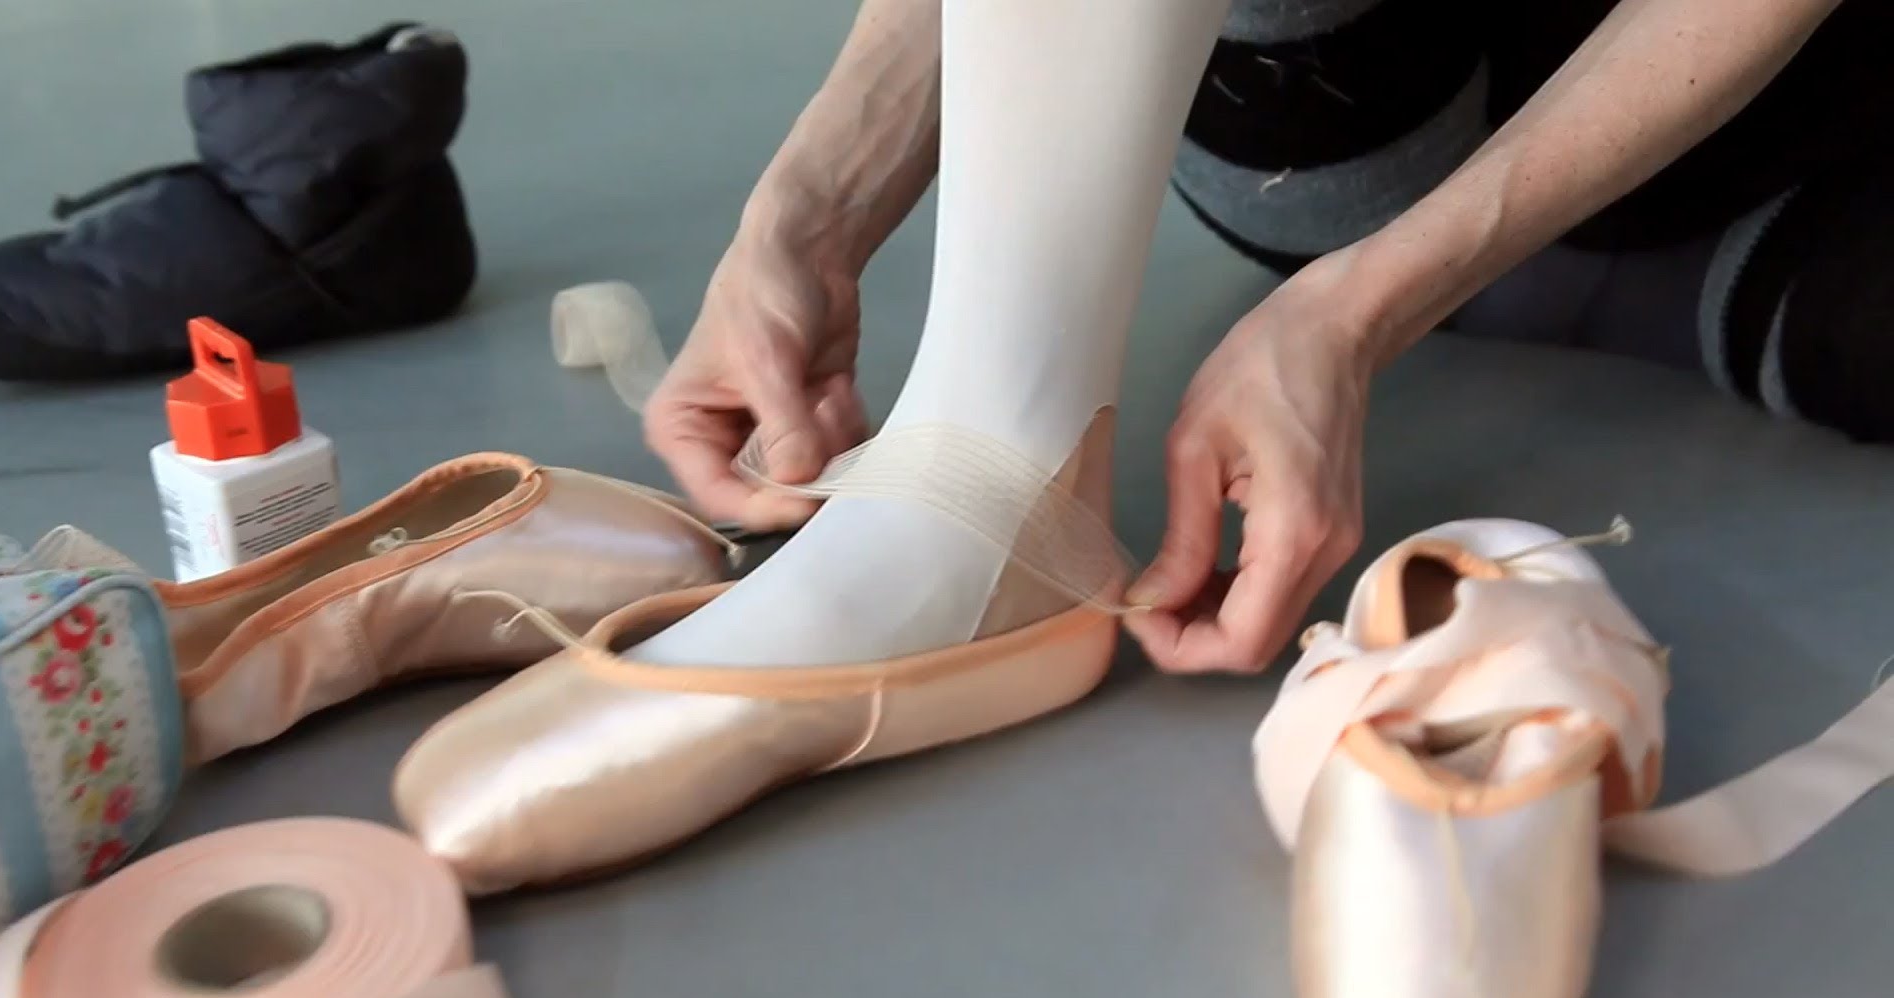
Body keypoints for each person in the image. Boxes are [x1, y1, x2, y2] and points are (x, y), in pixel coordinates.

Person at [638, 0, 1887, 678]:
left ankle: (1591, 288)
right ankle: (992, 459)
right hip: (1340, 106)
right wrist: (816, 200)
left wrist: (1359, 311)